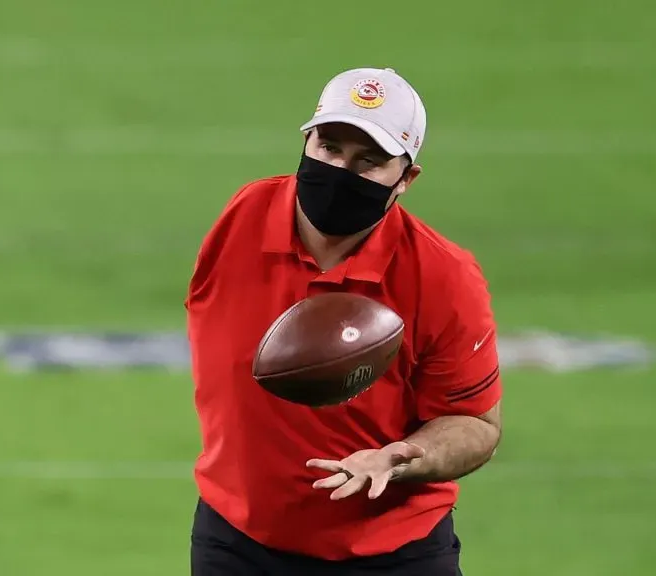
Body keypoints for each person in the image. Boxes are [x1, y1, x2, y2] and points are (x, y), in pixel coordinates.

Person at [185, 67, 503, 575]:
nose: (340, 170)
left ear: (406, 179)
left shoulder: (443, 275)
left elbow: (477, 424)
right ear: (307, 140)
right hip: (238, 540)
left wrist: (401, 457)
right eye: (328, 147)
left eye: (368, 161)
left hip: (391, 553)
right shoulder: (244, 217)